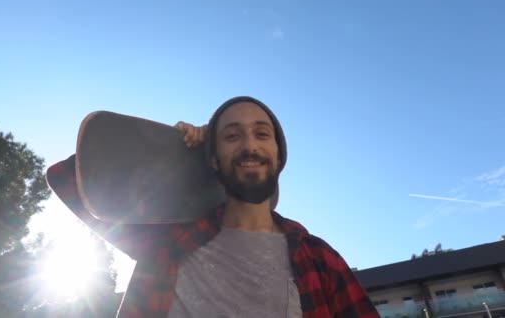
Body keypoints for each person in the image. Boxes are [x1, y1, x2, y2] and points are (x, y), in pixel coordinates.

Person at [47, 96, 379, 317]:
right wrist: (179, 157)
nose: (249, 145)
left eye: (262, 134)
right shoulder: (168, 237)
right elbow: (67, 178)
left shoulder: (319, 259)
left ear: (279, 156)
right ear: (215, 160)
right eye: (232, 137)